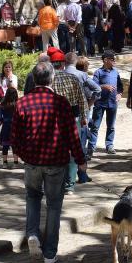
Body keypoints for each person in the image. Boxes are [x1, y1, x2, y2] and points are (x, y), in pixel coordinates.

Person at [11, 61, 87, 263]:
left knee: (32, 197)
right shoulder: (61, 103)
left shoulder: (22, 103)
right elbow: (73, 135)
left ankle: (33, 234)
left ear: (34, 79)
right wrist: (81, 160)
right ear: (52, 78)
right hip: (56, 162)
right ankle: (50, 252)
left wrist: (20, 154)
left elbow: (15, 136)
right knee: (54, 205)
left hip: (33, 162)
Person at [49, 47, 88, 191]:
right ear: (63, 64)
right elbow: (82, 99)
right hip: (73, 117)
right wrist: (84, 117)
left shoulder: (49, 80)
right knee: (73, 149)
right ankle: (70, 184)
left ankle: (58, 182)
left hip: (55, 119)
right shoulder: (73, 78)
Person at [87, 49, 124, 157]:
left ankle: (109, 145)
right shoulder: (98, 72)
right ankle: (91, 148)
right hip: (100, 103)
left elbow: (120, 86)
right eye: (112, 59)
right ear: (105, 60)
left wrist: (119, 94)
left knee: (111, 126)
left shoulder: (115, 72)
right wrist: (103, 86)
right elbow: (93, 86)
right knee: (95, 126)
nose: (114, 61)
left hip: (112, 103)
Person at [67, 52, 100, 159]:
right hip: (83, 107)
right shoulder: (82, 75)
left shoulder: (62, 73)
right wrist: (90, 103)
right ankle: (83, 153)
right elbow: (97, 89)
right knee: (83, 130)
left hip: (68, 108)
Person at [0, 87, 19, 168]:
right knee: (15, 145)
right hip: (15, 126)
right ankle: (16, 163)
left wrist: (2, 121)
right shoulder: (18, 104)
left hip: (6, 126)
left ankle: (4, 163)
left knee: (5, 145)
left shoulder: (3, 104)